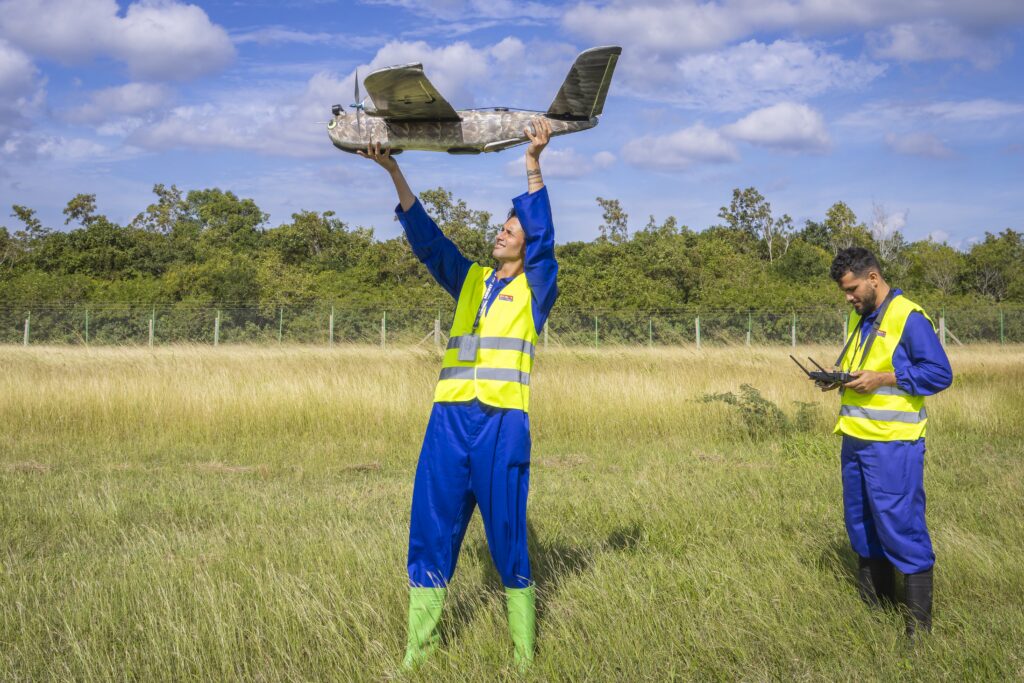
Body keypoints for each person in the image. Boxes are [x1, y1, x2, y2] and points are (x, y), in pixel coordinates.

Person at [359, 117, 558, 669]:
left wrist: (533, 165)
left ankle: (522, 655)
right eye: (502, 224)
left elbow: (543, 241)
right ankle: (416, 654)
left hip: (501, 426)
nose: (501, 230)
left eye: (511, 228)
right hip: (447, 423)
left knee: (508, 537)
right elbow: (427, 240)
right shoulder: (471, 279)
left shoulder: (537, 288)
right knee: (430, 529)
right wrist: (392, 168)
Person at [821, 247, 952, 637]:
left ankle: (917, 628)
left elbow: (939, 374)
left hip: (894, 444)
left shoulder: (908, 317)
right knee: (861, 523)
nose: (848, 297)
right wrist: (838, 377)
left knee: (901, 525)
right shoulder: (858, 315)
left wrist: (884, 378)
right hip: (855, 440)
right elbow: (863, 365)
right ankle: (875, 610)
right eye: (845, 291)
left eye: (853, 288)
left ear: (873, 278)